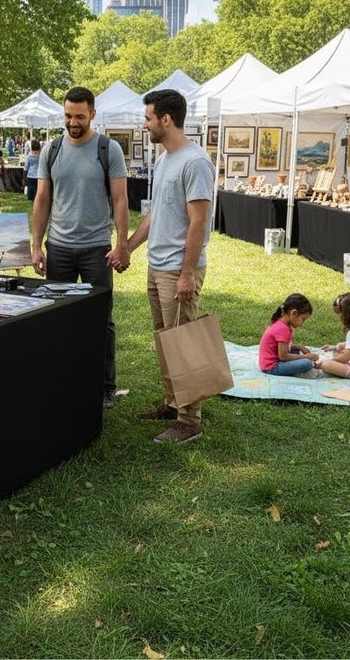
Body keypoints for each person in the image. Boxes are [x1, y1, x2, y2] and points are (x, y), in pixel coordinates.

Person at [31, 86, 130, 410]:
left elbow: (120, 200)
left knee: (101, 320)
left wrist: (122, 244)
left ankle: (105, 387)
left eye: (79, 116)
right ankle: (61, 379)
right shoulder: (53, 149)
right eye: (68, 116)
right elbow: (42, 199)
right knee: (56, 318)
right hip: (58, 247)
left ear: (92, 114)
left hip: (96, 250)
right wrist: (36, 246)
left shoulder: (108, 148)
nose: (72, 122)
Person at [126, 88, 216, 444]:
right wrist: (129, 248)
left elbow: (198, 222)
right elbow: (155, 215)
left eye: (148, 118)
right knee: (166, 341)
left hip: (178, 270)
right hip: (156, 266)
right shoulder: (164, 160)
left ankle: (189, 420)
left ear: (166, 119)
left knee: (184, 343)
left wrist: (186, 274)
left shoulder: (195, 163)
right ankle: (173, 402)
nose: (145, 124)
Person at [258, 293, 319, 376]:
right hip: (271, 367)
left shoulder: (281, 323)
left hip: (270, 361)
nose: (302, 324)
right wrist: (307, 357)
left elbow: (283, 346)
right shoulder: (283, 329)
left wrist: (299, 347)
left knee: (296, 351)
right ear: (294, 313)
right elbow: (283, 356)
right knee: (307, 363)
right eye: (303, 319)